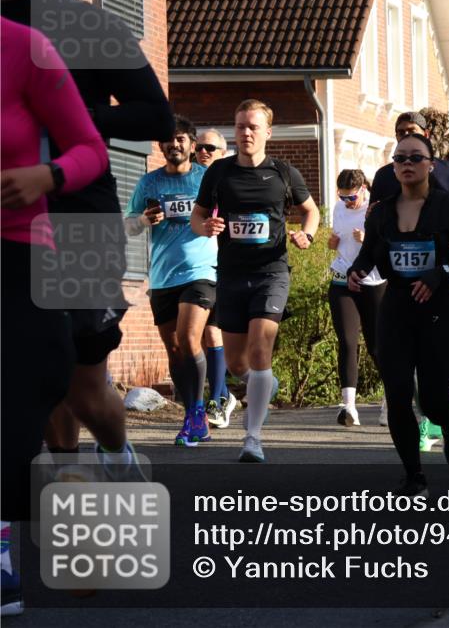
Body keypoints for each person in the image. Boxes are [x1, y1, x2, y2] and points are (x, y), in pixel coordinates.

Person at [2, 0, 174, 479]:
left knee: (79, 385)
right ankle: (62, 485)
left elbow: (155, 116)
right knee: (35, 371)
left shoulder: (84, 25)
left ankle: (118, 456)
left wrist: (65, 114)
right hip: (11, 222)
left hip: (77, 220)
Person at [1, 16, 108, 617]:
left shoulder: (24, 48)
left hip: (18, 257)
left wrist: (49, 174)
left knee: (22, 404)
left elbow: (91, 149)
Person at [191, 99, 320, 463]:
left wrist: (306, 236)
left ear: (267, 132)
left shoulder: (283, 172)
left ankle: (253, 437)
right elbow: (198, 218)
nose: (246, 133)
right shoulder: (218, 173)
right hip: (231, 276)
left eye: (252, 127)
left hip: (271, 273)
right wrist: (207, 227)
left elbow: (310, 210)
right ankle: (263, 383)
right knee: (236, 364)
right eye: (240, 126)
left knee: (261, 350)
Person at [348, 133, 449, 497]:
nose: (406, 163)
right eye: (399, 157)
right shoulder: (382, 211)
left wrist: (439, 274)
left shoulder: (447, 207)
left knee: (433, 400)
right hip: (397, 307)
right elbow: (369, 253)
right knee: (399, 393)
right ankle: (413, 475)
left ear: (430, 165)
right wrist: (357, 270)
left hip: (437, 310)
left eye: (415, 157)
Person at [125, 115, 222, 445]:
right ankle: (192, 411)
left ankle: (197, 411)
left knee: (189, 336)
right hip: (163, 276)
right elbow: (127, 226)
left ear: (192, 145)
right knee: (175, 348)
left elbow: (232, 211)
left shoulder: (207, 179)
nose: (174, 144)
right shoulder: (149, 183)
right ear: (160, 146)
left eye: (180, 139)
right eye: (168, 140)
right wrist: (143, 219)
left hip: (201, 270)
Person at [327, 169, 385, 426]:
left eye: (351, 198)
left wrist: (367, 241)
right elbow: (337, 239)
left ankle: (391, 401)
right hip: (342, 278)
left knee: (376, 346)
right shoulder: (339, 208)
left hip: (372, 281)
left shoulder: (376, 208)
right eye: (343, 197)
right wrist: (332, 242)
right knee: (348, 341)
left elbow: (387, 246)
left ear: (363, 189)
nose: (347, 202)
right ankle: (349, 406)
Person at [194, 128, 237, 424]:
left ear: (222, 152)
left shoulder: (233, 180)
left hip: (223, 265)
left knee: (213, 333)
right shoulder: (189, 180)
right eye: (199, 148)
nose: (204, 152)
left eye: (210, 147)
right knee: (196, 338)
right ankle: (221, 395)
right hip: (191, 267)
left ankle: (218, 399)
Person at [370, 111, 449, 219]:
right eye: (401, 133)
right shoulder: (383, 175)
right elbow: (372, 217)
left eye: (411, 131)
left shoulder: (448, 171)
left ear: (426, 134)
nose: (406, 136)